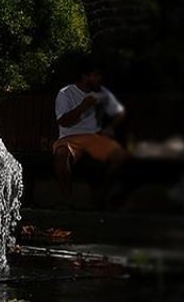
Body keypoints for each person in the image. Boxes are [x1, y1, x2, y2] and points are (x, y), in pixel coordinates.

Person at [52, 57, 127, 208]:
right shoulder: (66, 93)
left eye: (100, 75)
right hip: (69, 137)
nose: (100, 78)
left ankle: (100, 196)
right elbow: (63, 121)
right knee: (61, 155)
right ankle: (67, 200)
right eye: (96, 75)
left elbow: (120, 112)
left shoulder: (103, 93)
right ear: (85, 76)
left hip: (94, 137)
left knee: (120, 156)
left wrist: (110, 128)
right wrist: (82, 106)